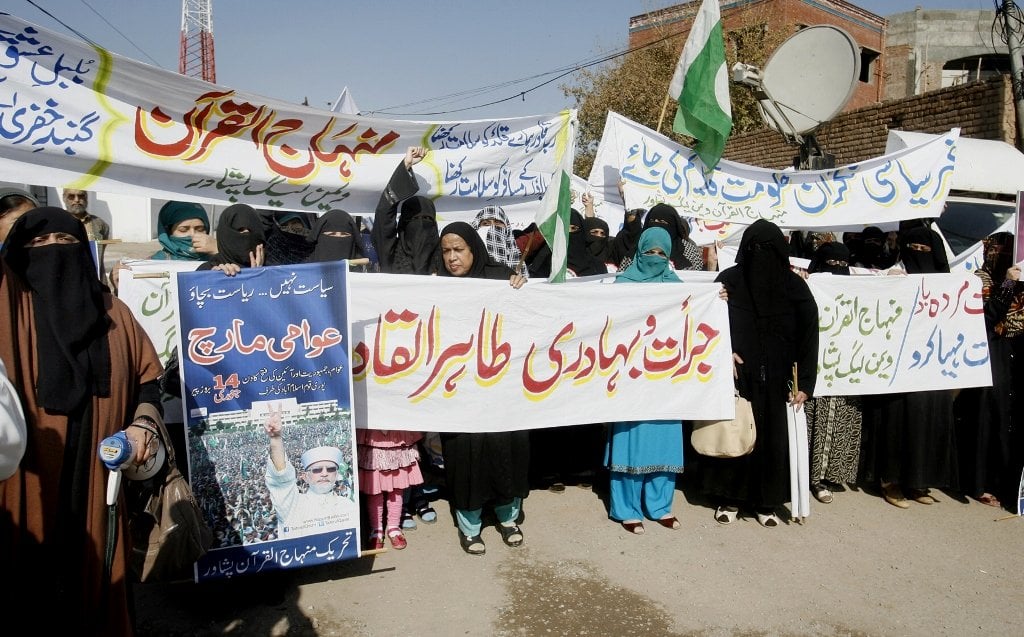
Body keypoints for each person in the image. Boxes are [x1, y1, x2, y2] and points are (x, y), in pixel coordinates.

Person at [0, 207, 164, 634]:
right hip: (27, 475)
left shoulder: (114, 313)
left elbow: (150, 383)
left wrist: (141, 426)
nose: (51, 252)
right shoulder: (9, 305)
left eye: (64, 243)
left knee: (94, 583)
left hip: (97, 472)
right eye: (36, 244)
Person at [694, 219, 819, 527]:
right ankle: (730, 498)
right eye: (754, 249)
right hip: (738, 377)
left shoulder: (795, 287)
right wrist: (723, 352)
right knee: (735, 436)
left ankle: (767, 503)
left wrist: (805, 383)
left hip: (780, 381)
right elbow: (707, 323)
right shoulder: (730, 281)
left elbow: (809, 335)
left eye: (768, 249)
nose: (760, 256)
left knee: (772, 442)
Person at [436, 221, 528, 555]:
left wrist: (521, 288)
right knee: (467, 455)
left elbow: (527, 320)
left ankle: (508, 517)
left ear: (474, 248)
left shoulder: (500, 279)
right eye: (446, 251)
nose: (452, 258)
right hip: (459, 389)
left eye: (459, 249)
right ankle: (470, 524)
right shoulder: (434, 286)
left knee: (505, 451)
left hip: (501, 387)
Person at [859, 224, 958, 508]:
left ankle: (919, 481)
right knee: (900, 421)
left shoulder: (946, 286)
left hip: (933, 365)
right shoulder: (893, 275)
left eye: (924, 251)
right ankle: (890, 482)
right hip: (901, 367)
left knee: (929, 422)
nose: (918, 255)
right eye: (912, 249)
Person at [605, 227, 687, 534]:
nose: (655, 259)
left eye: (661, 253)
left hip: (666, 376)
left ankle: (660, 506)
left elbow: (697, 317)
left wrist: (717, 298)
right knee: (632, 440)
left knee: (664, 441)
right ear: (639, 251)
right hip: (631, 375)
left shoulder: (676, 286)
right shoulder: (622, 284)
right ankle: (627, 508)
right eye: (649, 252)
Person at [954, 232, 1022, 508]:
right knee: (987, 417)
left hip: (1016, 354)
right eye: (996, 252)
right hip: (990, 352)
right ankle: (980, 482)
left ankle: (1008, 485)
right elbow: (989, 316)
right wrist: (1007, 284)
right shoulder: (980, 279)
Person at [803, 242, 862, 504]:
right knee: (813, 423)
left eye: (842, 265)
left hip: (847, 369)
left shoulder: (857, 290)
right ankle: (809, 476)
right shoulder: (807, 287)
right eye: (831, 264)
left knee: (841, 422)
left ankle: (830, 475)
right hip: (817, 368)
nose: (837, 270)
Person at [263, 404, 358, 540]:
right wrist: (276, 439)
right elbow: (281, 479)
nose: (324, 473)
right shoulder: (293, 505)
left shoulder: (348, 506)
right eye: (317, 470)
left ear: (336, 475)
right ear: (305, 477)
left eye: (330, 469)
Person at [372, 146, 441, 275]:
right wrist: (406, 165)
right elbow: (384, 212)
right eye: (414, 220)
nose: (421, 224)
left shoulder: (444, 258)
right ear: (403, 224)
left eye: (427, 219)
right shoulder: (390, 255)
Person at [356, 427, 424, 550]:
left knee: (397, 486)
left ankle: (394, 527)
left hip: (397, 432)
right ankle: (376, 529)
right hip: (373, 432)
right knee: (374, 487)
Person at [197, 203, 266, 273]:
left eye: (251, 230)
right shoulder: (206, 270)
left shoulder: (272, 270)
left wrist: (258, 275)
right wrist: (216, 278)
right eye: (240, 230)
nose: (246, 234)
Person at [149, 200, 216, 261]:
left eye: (199, 229)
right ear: (169, 232)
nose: (192, 234)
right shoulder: (156, 263)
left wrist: (217, 250)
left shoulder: (217, 258)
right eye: (183, 230)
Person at [473, 205, 524, 276]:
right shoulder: (468, 261)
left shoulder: (518, 261)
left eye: (497, 222)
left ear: (507, 227)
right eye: (485, 223)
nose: (492, 227)